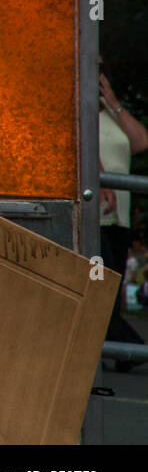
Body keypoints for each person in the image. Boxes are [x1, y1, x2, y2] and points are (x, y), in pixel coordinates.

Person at [98, 60, 148, 358]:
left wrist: (114, 103)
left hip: (120, 212)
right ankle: (130, 349)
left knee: (113, 286)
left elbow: (141, 141)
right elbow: (82, 147)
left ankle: (119, 351)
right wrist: (99, 176)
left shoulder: (112, 113)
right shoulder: (79, 109)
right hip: (97, 209)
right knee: (100, 285)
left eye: (102, 68)